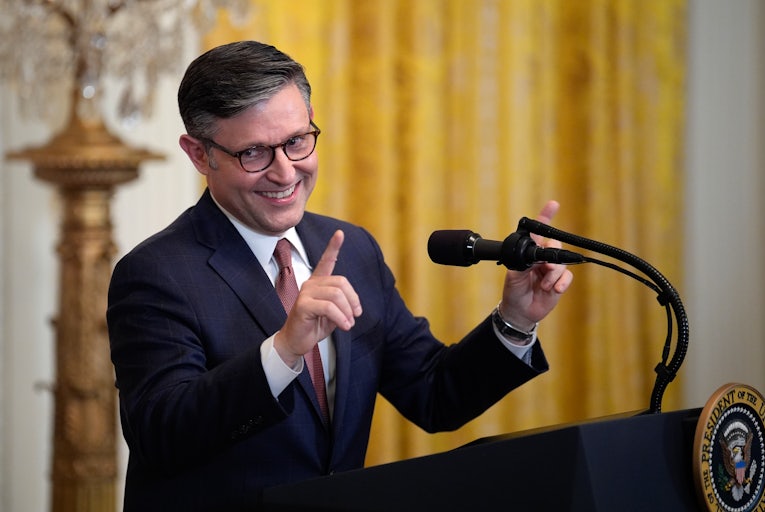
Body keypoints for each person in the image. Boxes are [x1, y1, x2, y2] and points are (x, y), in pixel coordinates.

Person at [106, 40, 573, 511]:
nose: (286, 172)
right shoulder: (155, 273)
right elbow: (161, 435)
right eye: (254, 153)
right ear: (199, 154)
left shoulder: (352, 250)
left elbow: (434, 395)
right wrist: (284, 351)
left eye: (296, 141)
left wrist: (515, 321)